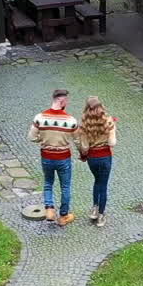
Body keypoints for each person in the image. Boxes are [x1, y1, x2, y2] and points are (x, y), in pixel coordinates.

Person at [27, 88, 78, 225]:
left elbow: (31, 137)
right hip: (63, 158)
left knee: (48, 183)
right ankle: (63, 216)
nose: (67, 103)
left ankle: (49, 209)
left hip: (46, 157)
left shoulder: (40, 117)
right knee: (65, 186)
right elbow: (78, 140)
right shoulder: (71, 120)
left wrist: (42, 140)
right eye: (67, 100)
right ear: (62, 101)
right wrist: (84, 153)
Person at [77, 96, 116, 228]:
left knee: (97, 181)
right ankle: (101, 215)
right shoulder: (109, 122)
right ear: (101, 106)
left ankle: (94, 208)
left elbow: (85, 147)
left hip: (92, 159)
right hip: (105, 157)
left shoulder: (84, 125)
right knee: (103, 185)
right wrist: (113, 131)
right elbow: (112, 142)